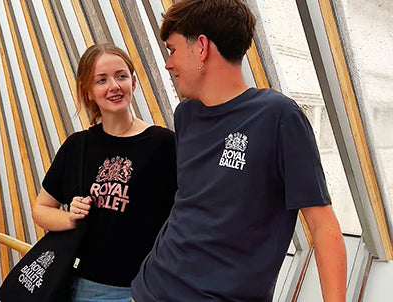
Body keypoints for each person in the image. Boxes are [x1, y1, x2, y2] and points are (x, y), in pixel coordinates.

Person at [131, 1, 347, 301]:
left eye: (173, 50)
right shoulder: (186, 114)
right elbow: (193, 204)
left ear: (202, 47)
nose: (168, 64)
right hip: (151, 288)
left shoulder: (279, 117)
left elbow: (323, 227)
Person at [33, 43, 177, 302]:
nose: (114, 86)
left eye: (121, 76)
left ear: (133, 82)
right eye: (101, 80)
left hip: (144, 289)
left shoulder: (165, 144)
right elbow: (41, 209)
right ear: (88, 91)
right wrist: (71, 218)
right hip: (83, 287)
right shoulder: (78, 146)